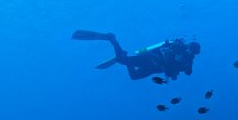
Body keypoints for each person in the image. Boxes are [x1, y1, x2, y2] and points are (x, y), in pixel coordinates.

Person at [71, 30, 201, 81]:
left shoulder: (189, 61)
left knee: (133, 76)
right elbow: (166, 50)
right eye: (190, 49)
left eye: (193, 52)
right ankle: (112, 39)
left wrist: (187, 64)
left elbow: (188, 73)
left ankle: (123, 56)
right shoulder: (179, 47)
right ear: (189, 47)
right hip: (152, 59)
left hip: (155, 69)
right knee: (123, 61)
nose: (190, 52)